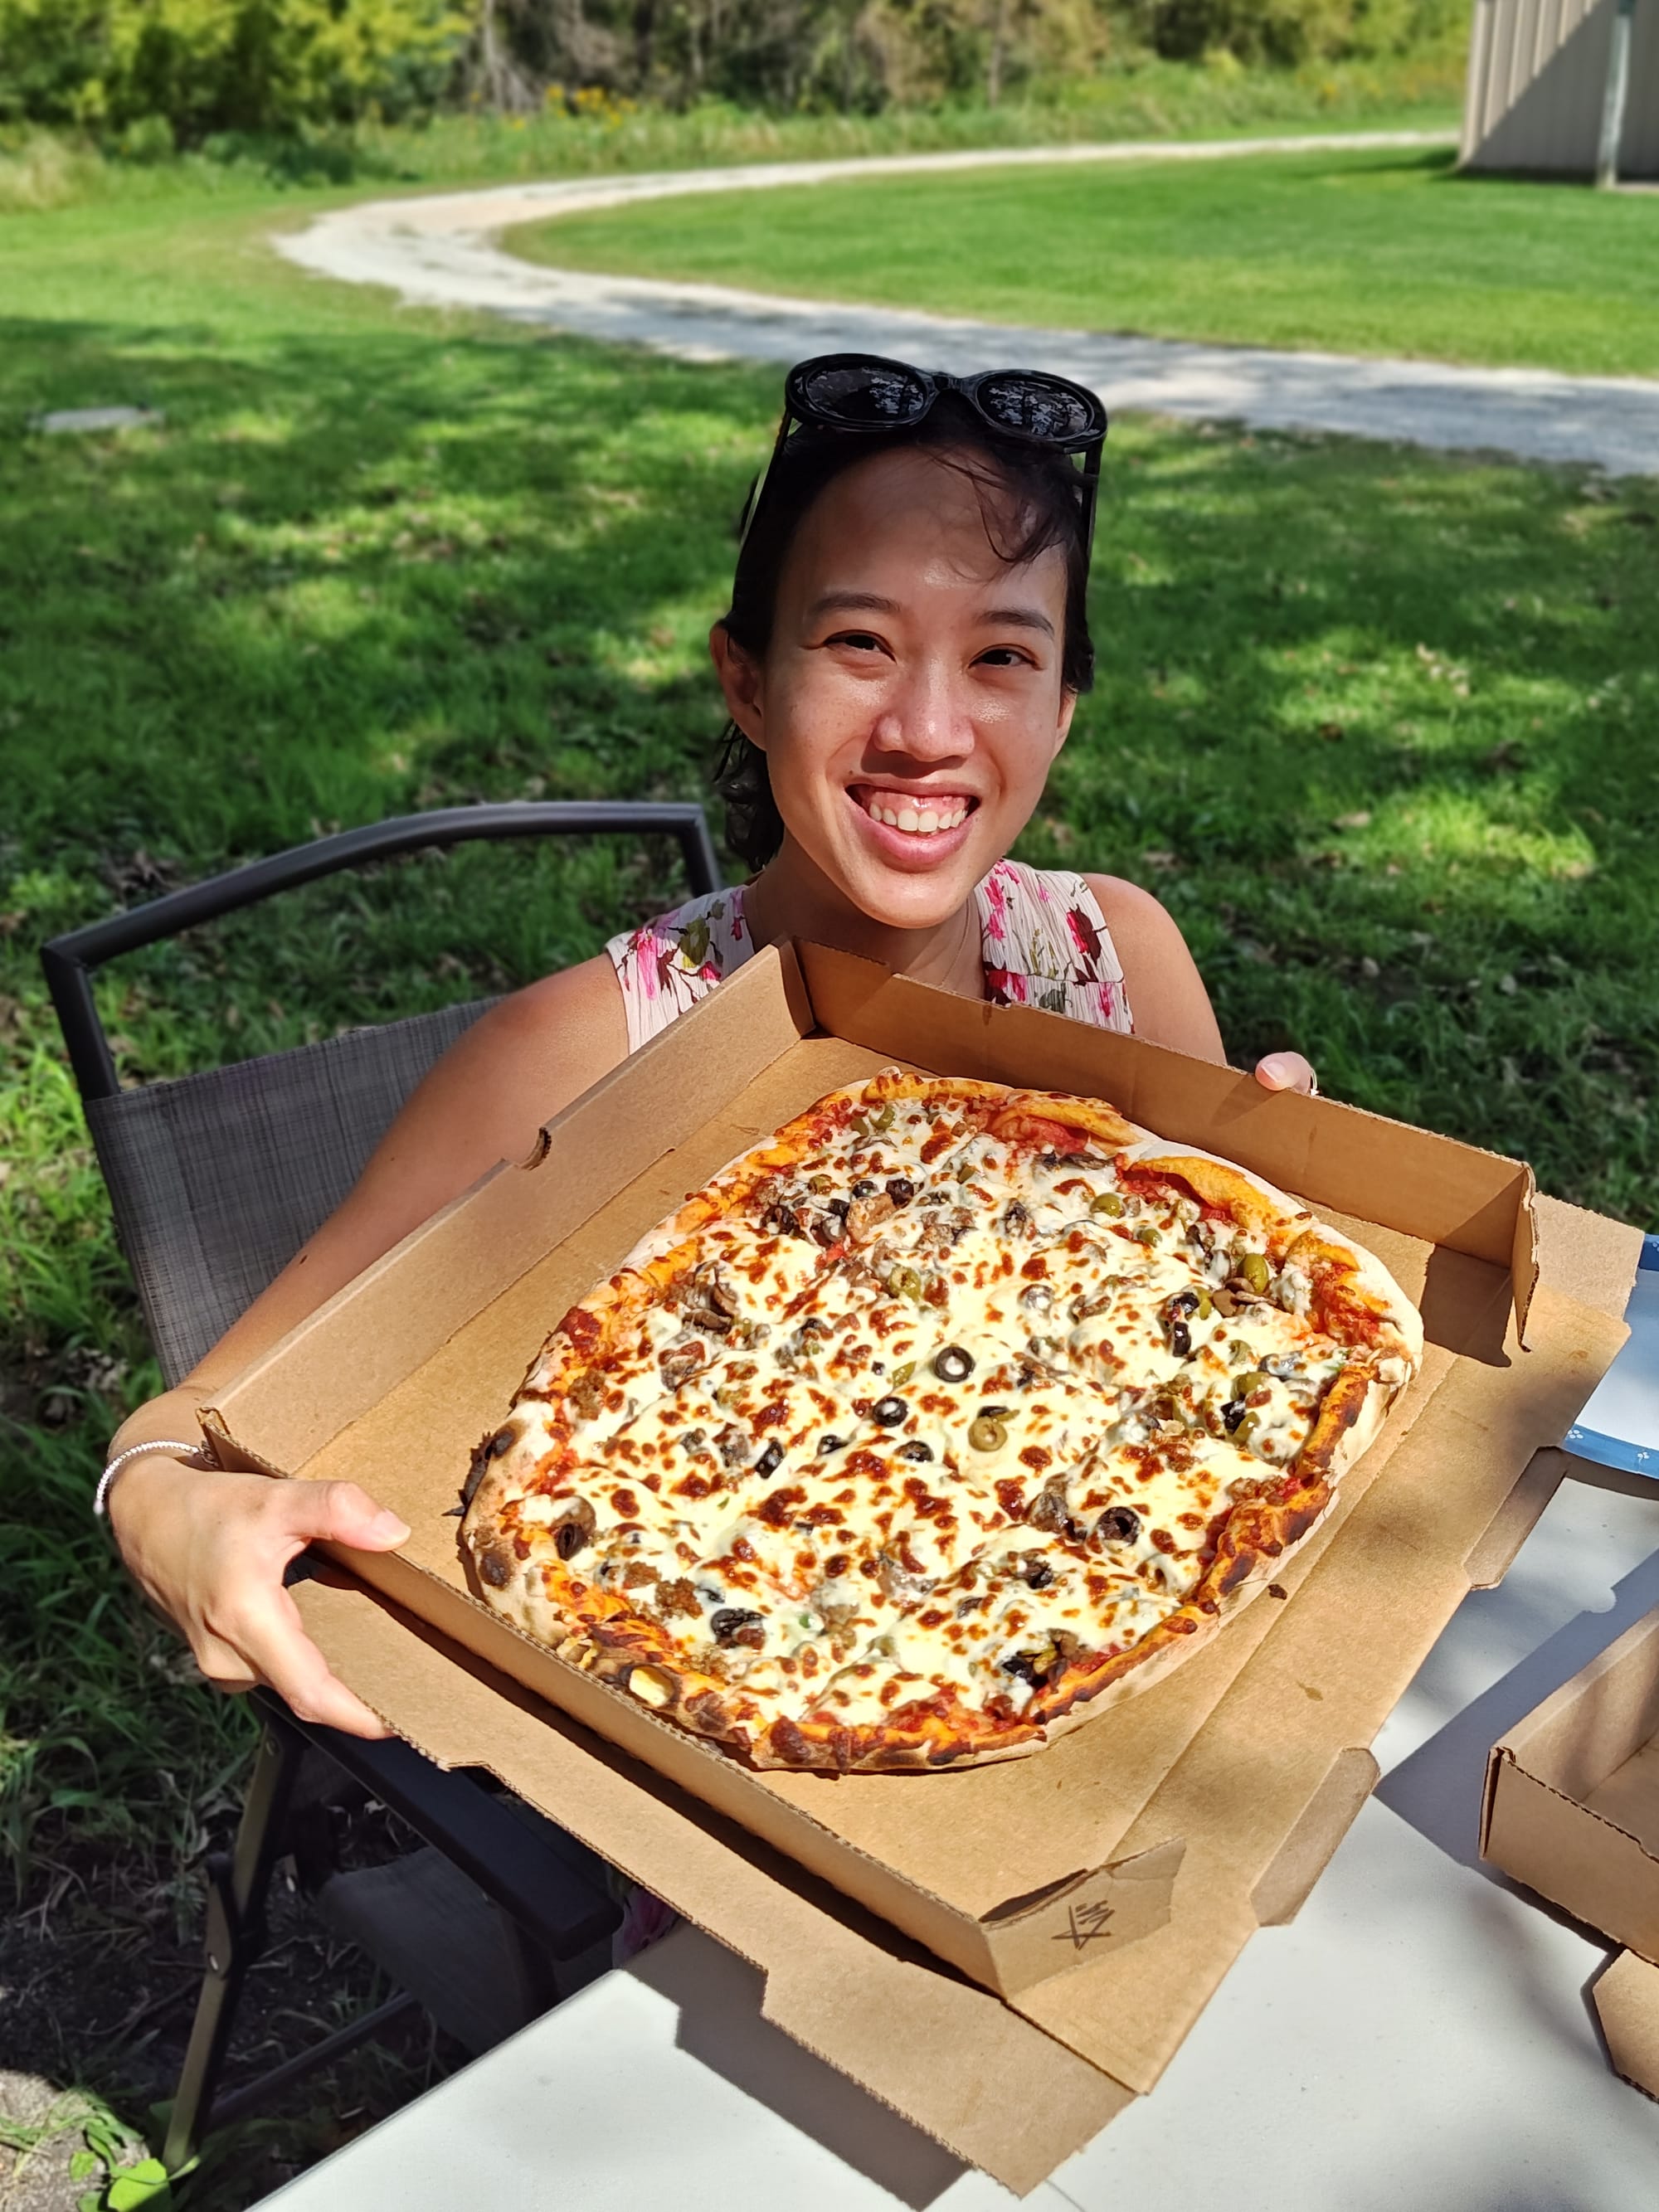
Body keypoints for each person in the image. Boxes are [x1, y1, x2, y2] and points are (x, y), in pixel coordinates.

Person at [101, 353, 1316, 1742]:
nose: (926, 730)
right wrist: (160, 1502)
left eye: (1002, 657)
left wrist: (1298, 1189)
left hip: (1170, 1689)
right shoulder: (586, 1049)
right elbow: (193, 1422)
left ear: (1062, 708)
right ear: (747, 679)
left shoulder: (1123, 957)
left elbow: (1242, 1347)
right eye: (860, 643)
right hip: (725, 1701)